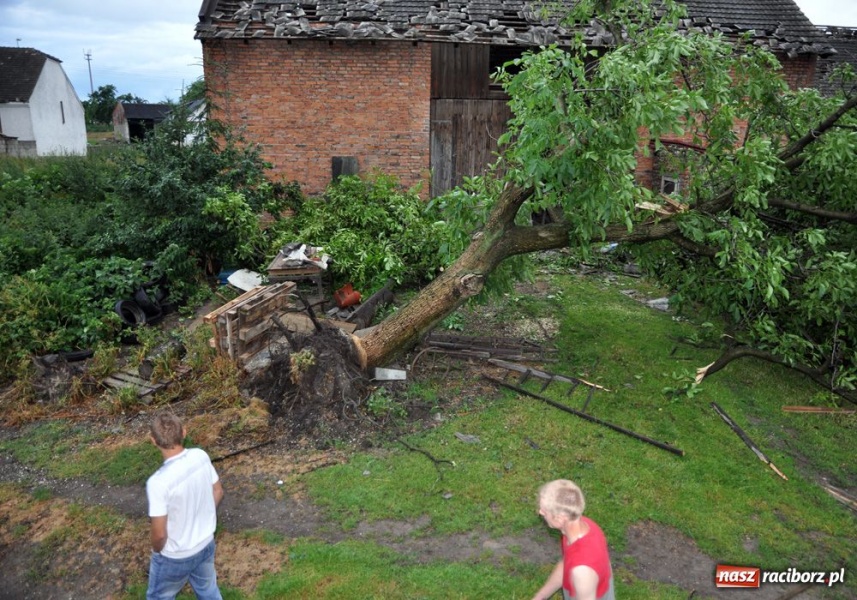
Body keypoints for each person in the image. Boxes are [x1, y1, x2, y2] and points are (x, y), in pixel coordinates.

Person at [146, 413, 224, 600]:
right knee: (208, 590)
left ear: (153, 440)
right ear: (184, 432)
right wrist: (202, 516)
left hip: (175, 555)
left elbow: (159, 534)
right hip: (205, 543)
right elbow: (218, 491)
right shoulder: (200, 456)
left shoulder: (158, 482)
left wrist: (158, 551)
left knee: (159, 597)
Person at [532, 479, 615, 600]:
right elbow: (567, 563)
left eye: (544, 511)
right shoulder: (583, 527)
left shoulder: (582, 571)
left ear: (560, 519)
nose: (540, 512)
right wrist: (540, 597)